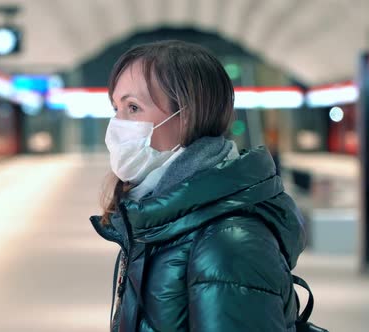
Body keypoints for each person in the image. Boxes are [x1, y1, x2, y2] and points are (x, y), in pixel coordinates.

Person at [90, 40, 306, 331]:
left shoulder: (228, 245)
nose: (117, 124)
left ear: (186, 115)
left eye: (133, 107)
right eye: (116, 108)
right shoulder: (159, 217)